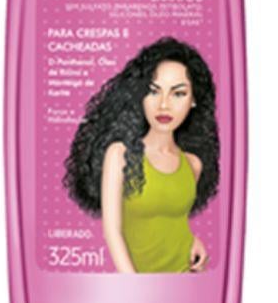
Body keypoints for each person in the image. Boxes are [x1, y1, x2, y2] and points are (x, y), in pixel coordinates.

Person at [63, 37, 219, 273]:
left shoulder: (192, 164)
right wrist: (134, 283)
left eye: (178, 94)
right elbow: (112, 231)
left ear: (194, 100)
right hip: (137, 283)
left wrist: (193, 240)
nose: (164, 105)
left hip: (187, 277)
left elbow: (172, 220)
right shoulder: (120, 155)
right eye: (153, 91)